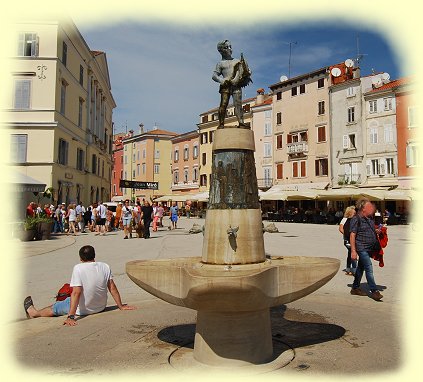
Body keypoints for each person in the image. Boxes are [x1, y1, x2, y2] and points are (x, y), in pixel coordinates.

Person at [23, 245, 136, 326]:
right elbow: (112, 288)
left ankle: (34, 313)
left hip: (83, 310)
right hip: (100, 307)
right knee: (66, 299)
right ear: (94, 256)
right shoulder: (104, 266)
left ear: (81, 258)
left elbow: (76, 293)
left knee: (57, 306)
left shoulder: (78, 268)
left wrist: (71, 317)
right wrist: (121, 306)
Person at [212, 40, 252, 129]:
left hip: (236, 85)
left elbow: (243, 72)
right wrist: (221, 80)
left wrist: (248, 72)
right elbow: (214, 76)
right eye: (227, 47)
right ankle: (221, 123)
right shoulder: (220, 63)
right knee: (223, 104)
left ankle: (241, 122)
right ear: (221, 50)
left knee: (238, 104)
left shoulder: (237, 61)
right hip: (225, 85)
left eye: (230, 46)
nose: (230, 49)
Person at [349, 198, 383, 301]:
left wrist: (376, 231)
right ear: (363, 208)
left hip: (369, 248)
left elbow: (369, 230)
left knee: (360, 268)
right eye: (369, 206)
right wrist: (353, 251)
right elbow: (352, 235)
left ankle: (355, 288)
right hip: (361, 247)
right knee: (369, 267)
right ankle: (374, 291)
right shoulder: (356, 219)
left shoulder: (369, 218)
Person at [338, 206, 357, 276]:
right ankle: (354, 270)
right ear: (350, 212)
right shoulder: (345, 219)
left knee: (350, 253)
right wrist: (347, 235)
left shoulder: (355, 219)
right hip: (347, 240)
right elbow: (340, 228)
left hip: (352, 239)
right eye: (353, 211)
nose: (355, 212)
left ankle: (348, 269)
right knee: (352, 252)